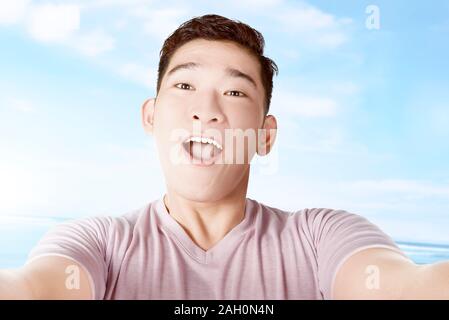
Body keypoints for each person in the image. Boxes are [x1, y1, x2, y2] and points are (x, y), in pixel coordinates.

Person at [1, 14, 447, 300]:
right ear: (151, 117)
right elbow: (33, 289)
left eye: (234, 92)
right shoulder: (98, 243)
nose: (207, 111)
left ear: (265, 137)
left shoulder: (320, 238)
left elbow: (407, 288)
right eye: (185, 86)